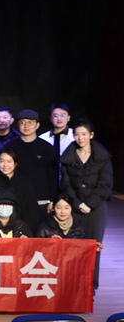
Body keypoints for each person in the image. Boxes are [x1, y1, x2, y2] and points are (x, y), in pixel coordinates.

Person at [59, 119, 113, 290]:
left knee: (93, 247)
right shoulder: (68, 156)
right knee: (74, 247)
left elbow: (105, 184)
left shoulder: (102, 157)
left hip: (96, 208)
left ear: (91, 135)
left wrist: (89, 204)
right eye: (77, 134)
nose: (80, 138)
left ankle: (90, 288)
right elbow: (66, 183)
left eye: (84, 134)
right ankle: (73, 287)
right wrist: (76, 203)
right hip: (74, 207)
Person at [7, 109, 58, 221]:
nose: (26, 126)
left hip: (42, 200)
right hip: (17, 199)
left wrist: (52, 200)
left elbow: (53, 176)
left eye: (31, 122)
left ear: (37, 125)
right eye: (23, 122)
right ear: (17, 125)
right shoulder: (10, 147)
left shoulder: (46, 148)